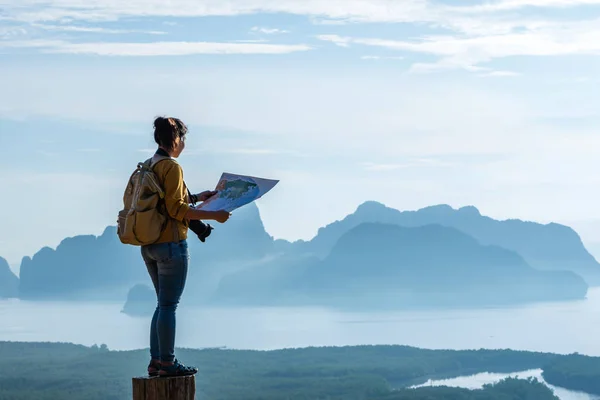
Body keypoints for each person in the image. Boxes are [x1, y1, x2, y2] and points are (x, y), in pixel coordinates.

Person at [142, 116, 230, 377]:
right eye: (184, 139)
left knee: (162, 304)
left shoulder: (149, 165)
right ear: (176, 139)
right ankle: (168, 363)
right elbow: (176, 209)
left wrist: (197, 197)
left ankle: (156, 361)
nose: (184, 145)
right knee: (169, 306)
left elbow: (166, 202)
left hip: (149, 244)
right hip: (170, 244)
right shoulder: (172, 167)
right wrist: (215, 216)